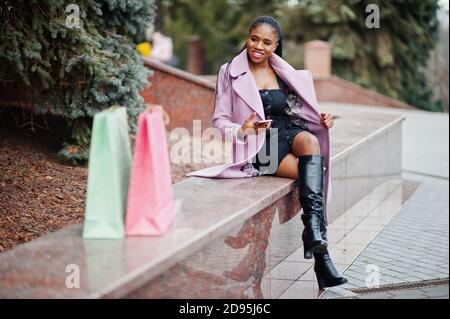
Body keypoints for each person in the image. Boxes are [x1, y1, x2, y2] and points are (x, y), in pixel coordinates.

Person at [186, 16, 347, 290]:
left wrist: (322, 119)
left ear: (276, 45)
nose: (258, 46)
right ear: (247, 37)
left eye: (266, 42)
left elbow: (296, 111)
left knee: (310, 142)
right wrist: (242, 129)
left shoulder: (282, 70)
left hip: (286, 132)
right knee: (311, 172)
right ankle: (319, 250)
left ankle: (315, 236)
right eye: (254, 39)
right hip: (259, 145)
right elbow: (219, 121)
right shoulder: (229, 72)